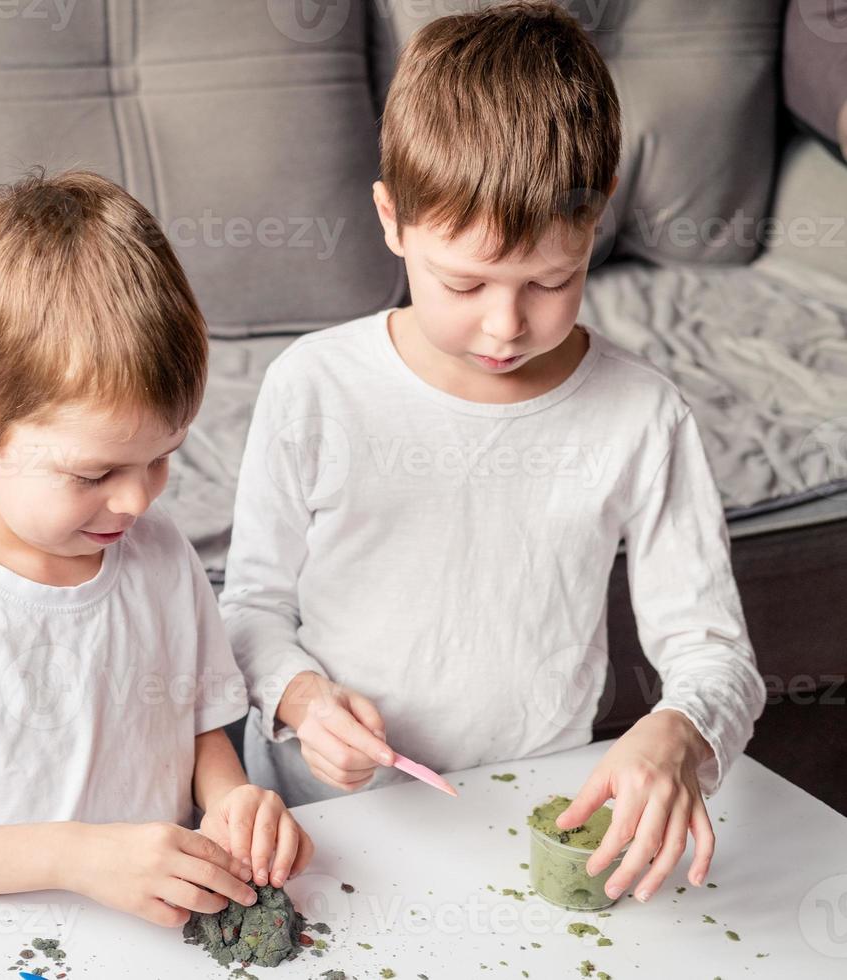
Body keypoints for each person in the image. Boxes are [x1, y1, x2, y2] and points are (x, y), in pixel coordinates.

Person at [221, 0, 765, 907]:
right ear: (392, 220)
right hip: (321, 827)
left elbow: (715, 654)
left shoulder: (642, 415)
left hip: (523, 814)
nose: (506, 325)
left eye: (551, 281)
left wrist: (678, 733)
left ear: (598, 225)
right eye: (463, 282)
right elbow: (248, 612)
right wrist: (305, 703)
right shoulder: (314, 388)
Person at [0, 169, 314, 927]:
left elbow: (198, 725)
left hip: (148, 943)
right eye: (94, 472)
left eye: (162, 456)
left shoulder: (160, 554)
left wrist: (233, 798)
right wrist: (76, 856)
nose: (139, 499)